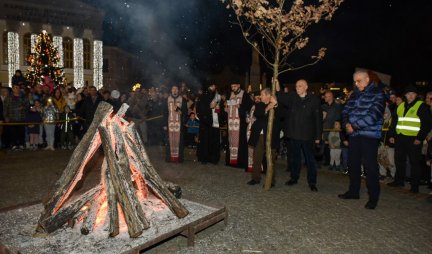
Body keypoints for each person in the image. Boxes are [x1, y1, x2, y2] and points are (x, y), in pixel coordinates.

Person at [339, 70, 385, 209]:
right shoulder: (354, 95)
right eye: (355, 81)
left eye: (359, 80)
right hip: (354, 135)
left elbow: (374, 115)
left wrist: (355, 126)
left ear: (367, 79)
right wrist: (346, 124)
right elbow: (345, 111)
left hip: (369, 136)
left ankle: (373, 197)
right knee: (352, 164)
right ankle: (354, 191)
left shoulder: (378, 93)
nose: (356, 83)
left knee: (370, 167)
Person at [277, 79, 322, 192]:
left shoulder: (314, 100)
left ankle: (312, 182)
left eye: (300, 86)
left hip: (308, 136)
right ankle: (294, 178)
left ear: (306, 87)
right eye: (296, 86)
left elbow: (318, 119)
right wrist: (277, 85)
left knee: (310, 160)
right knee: (294, 159)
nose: (297, 88)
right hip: (294, 134)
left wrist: (318, 137)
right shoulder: (293, 97)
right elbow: (282, 97)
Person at [387, 85, 432, 193]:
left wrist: (420, 138)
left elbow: (427, 123)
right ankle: (399, 181)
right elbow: (394, 122)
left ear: (416, 95)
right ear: (405, 95)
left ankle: (414, 186)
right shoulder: (401, 106)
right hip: (400, 137)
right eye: (408, 94)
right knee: (399, 160)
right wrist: (392, 135)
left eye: (413, 94)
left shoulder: (421, 106)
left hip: (414, 139)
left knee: (414, 162)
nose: (410, 96)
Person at [247, 88, 278, 186]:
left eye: (262, 94)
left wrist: (274, 105)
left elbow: (280, 116)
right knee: (256, 158)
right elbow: (258, 113)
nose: (260, 96)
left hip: (270, 136)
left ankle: (271, 181)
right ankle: (255, 178)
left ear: (268, 95)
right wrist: (269, 107)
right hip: (259, 136)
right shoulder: (259, 104)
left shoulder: (277, 105)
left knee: (270, 159)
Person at [225, 83, 253, 169]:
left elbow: (249, 107)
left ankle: (240, 163)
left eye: (234, 86)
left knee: (241, 142)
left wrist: (240, 107)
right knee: (231, 141)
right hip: (230, 123)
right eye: (232, 87)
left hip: (240, 124)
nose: (233, 88)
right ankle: (231, 161)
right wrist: (226, 108)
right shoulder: (231, 94)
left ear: (239, 86)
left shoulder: (245, 95)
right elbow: (227, 105)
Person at [196, 83, 222, 164]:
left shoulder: (217, 97)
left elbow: (218, 111)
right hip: (205, 123)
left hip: (214, 123)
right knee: (205, 141)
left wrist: (218, 109)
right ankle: (205, 158)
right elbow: (200, 111)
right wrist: (210, 108)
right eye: (212, 86)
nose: (214, 87)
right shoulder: (203, 96)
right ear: (209, 87)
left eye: (214, 86)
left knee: (212, 141)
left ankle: (213, 159)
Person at [163, 85, 188, 162]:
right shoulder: (167, 99)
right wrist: (164, 124)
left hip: (179, 124)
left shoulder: (182, 99)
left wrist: (178, 110)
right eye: (173, 89)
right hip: (169, 123)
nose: (174, 90)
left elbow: (185, 112)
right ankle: (169, 158)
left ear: (178, 90)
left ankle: (179, 158)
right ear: (171, 90)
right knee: (169, 141)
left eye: (176, 89)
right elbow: (165, 113)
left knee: (179, 141)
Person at [3, 83, 28, 150]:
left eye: (18, 88)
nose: (17, 89)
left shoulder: (23, 96)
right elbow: (5, 108)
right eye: (15, 88)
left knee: (21, 132)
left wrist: (23, 107)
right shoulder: (8, 97)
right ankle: (14, 144)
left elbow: (27, 105)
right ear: (13, 89)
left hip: (21, 118)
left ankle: (21, 144)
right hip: (12, 118)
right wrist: (6, 117)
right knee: (13, 132)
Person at [321, 91, 342, 166]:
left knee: (334, 146)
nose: (324, 98)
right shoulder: (324, 106)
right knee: (325, 144)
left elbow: (339, 116)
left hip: (333, 129)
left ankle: (335, 163)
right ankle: (327, 161)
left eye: (326, 96)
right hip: (325, 128)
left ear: (330, 96)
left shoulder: (337, 105)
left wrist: (337, 123)